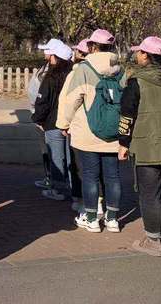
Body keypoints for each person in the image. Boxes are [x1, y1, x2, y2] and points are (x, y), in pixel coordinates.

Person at [117, 36, 161, 257]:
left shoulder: (137, 82)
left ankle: (153, 241)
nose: (137, 55)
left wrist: (123, 143)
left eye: (139, 51)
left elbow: (127, 115)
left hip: (146, 146)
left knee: (149, 195)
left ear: (145, 55)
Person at [57, 29, 123, 233]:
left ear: (92, 47)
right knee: (112, 177)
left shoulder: (84, 69)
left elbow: (72, 99)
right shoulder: (120, 70)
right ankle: (113, 219)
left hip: (87, 132)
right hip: (114, 132)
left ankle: (92, 218)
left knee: (89, 175)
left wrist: (63, 123)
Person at [31, 39, 74, 201]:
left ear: (55, 56)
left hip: (53, 123)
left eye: (48, 52)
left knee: (56, 158)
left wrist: (38, 119)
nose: (45, 55)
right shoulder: (73, 74)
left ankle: (58, 190)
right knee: (70, 158)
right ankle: (74, 189)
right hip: (71, 123)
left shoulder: (51, 76)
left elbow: (43, 101)